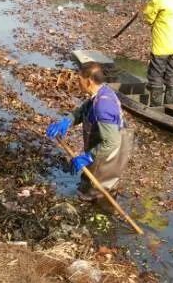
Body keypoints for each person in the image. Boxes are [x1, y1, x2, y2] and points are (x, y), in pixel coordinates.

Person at [46, 62, 134, 199]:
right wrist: (67, 121)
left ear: (89, 81)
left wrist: (89, 156)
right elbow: (83, 111)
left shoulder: (103, 105)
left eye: (79, 79)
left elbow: (112, 142)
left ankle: (103, 210)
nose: (77, 82)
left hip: (111, 152)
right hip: (102, 144)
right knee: (87, 183)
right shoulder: (101, 92)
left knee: (99, 191)